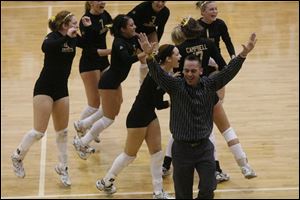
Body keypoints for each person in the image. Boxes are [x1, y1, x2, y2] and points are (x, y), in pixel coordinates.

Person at [138, 31, 257, 199]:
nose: (189, 74)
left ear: (201, 71)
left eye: (193, 71)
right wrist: (149, 55)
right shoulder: (175, 86)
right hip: (181, 149)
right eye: (186, 70)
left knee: (208, 189)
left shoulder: (209, 85)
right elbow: (158, 73)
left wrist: (243, 55)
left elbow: (228, 72)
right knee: (183, 194)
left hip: (204, 148)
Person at [162, 17, 257, 183]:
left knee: (181, 132)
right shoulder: (208, 43)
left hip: (184, 95)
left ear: (183, 32)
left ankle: (165, 165)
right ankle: (244, 165)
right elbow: (223, 66)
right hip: (206, 90)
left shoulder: (179, 49)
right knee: (225, 129)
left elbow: (172, 73)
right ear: (198, 28)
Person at [11, 10, 93, 186]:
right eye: (73, 23)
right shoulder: (52, 37)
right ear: (64, 25)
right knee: (39, 132)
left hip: (61, 89)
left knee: (62, 132)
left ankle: (63, 168)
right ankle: (17, 156)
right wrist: (65, 38)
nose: (75, 26)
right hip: (44, 88)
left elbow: (89, 44)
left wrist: (87, 27)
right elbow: (46, 48)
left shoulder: (73, 37)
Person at [95, 44, 180, 199]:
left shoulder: (164, 74)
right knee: (129, 155)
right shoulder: (158, 74)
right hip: (138, 117)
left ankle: (158, 192)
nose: (179, 57)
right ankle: (105, 181)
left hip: (149, 115)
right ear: (168, 58)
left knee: (157, 153)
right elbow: (158, 103)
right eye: (177, 54)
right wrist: (173, 100)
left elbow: (157, 103)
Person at [72, 14, 146, 160]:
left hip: (114, 82)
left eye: (134, 24)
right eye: (131, 25)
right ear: (123, 29)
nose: (134, 27)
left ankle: (82, 124)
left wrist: (145, 47)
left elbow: (140, 49)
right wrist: (145, 52)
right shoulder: (118, 42)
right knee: (108, 118)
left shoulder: (131, 39)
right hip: (108, 83)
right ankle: (82, 142)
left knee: (114, 108)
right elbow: (127, 60)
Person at [74, 1, 113, 143]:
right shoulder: (85, 20)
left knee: (109, 97)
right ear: (91, 2)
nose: (103, 2)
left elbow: (115, 29)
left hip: (103, 60)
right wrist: (111, 51)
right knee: (94, 103)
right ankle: (80, 132)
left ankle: (89, 127)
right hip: (90, 61)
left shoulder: (106, 15)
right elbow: (88, 47)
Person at [196, 1, 236, 101]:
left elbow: (227, 41)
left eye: (216, 9)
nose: (215, 11)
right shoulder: (196, 26)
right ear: (203, 12)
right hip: (201, 63)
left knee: (220, 96)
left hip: (217, 59)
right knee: (202, 93)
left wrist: (233, 55)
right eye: (211, 9)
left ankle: (216, 112)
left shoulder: (220, 24)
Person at [127, 1, 170, 84]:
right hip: (137, 34)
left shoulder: (165, 12)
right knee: (144, 61)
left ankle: (155, 82)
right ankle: (143, 83)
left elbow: (160, 29)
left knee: (155, 56)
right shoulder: (142, 7)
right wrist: (134, 35)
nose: (160, 4)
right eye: (158, 1)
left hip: (150, 33)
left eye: (163, 1)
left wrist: (155, 44)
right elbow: (126, 20)